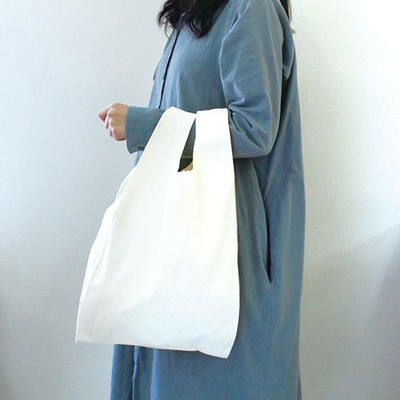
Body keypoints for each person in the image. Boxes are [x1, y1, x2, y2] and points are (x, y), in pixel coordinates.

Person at [98, 0, 305, 399]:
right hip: (177, 238)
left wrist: (142, 124)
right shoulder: (193, 17)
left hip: (226, 246)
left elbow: (254, 128)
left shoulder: (251, 9)